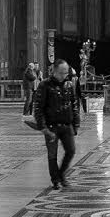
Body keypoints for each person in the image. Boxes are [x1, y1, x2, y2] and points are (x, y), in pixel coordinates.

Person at [31, 59, 80, 189]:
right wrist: (42, 126)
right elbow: (38, 107)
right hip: (51, 126)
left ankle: (61, 174)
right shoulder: (45, 85)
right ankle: (55, 180)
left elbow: (74, 104)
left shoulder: (69, 85)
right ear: (55, 71)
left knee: (71, 150)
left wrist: (76, 124)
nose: (64, 75)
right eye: (62, 72)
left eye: (66, 72)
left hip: (66, 124)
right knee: (52, 155)